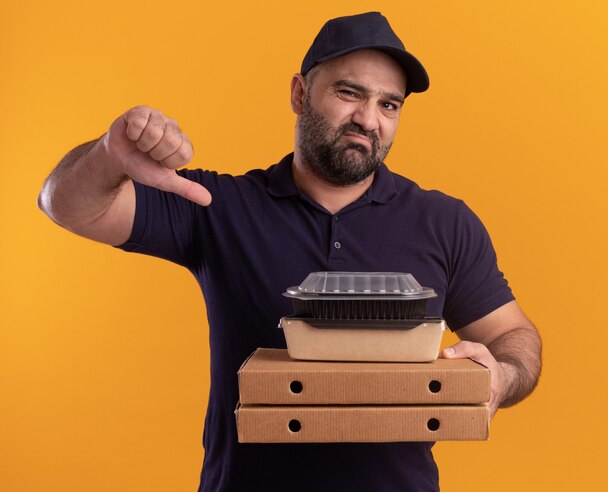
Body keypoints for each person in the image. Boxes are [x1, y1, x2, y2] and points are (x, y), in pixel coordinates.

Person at [38, 11, 542, 492]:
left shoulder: (444, 221)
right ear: (300, 93)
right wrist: (108, 155)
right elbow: (65, 205)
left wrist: (503, 375)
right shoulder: (219, 206)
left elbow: (513, 336)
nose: (368, 120)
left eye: (389, 104)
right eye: (349, 93)